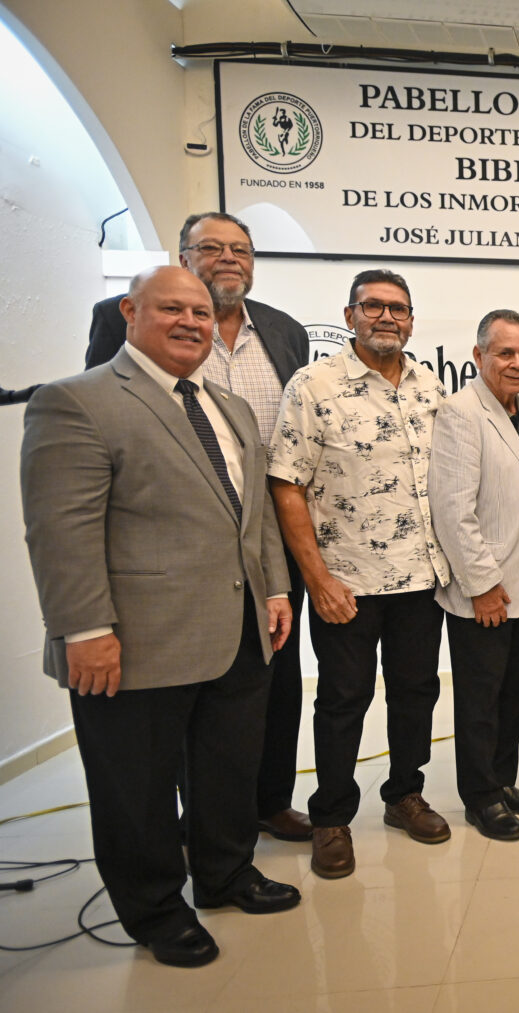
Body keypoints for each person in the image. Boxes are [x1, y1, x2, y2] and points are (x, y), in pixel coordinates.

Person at [20, 266, 298, 968]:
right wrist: (83, 630)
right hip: (134, 640)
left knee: (228, 767)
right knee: (137, 787)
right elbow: (62, 531)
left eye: (201, 312)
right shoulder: (76, 401)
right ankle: (154, 910)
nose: (191, 322)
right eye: (171, 308)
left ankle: (226, 873)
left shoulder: (228, 407)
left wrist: (273, 589)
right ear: (129, 311)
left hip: (238, 629)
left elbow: (253, 512)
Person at [87, 211, 313, 843]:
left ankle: (268, 800)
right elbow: (107, 419)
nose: (227, 258)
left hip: (275, 530)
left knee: (274, 675)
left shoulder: (284, 331)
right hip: (181, 541)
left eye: (239, 249)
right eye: (210, 248)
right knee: (191, 678)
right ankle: (204, 816)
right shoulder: (123, 318)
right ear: (183, 258)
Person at [268, 269, 451, 878]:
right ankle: (331, 818)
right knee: (344, 700)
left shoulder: (430, 387)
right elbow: (286, 484)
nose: (386, 318)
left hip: (422, 579)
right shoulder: (314, 385)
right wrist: (317, 579)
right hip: (346, 582)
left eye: (398, 309)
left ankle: (404, 794)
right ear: (349, 316)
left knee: (416, 693)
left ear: (411, 320)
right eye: (373, 307)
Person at [430, 310, 519, 841]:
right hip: (487, 589)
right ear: (479, 356)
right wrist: (481, 586)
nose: (518, 363)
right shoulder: (460, 413)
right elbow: (453, 510)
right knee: (481, 697)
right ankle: (480, 796)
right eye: (506, 353)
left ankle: (502, 779)